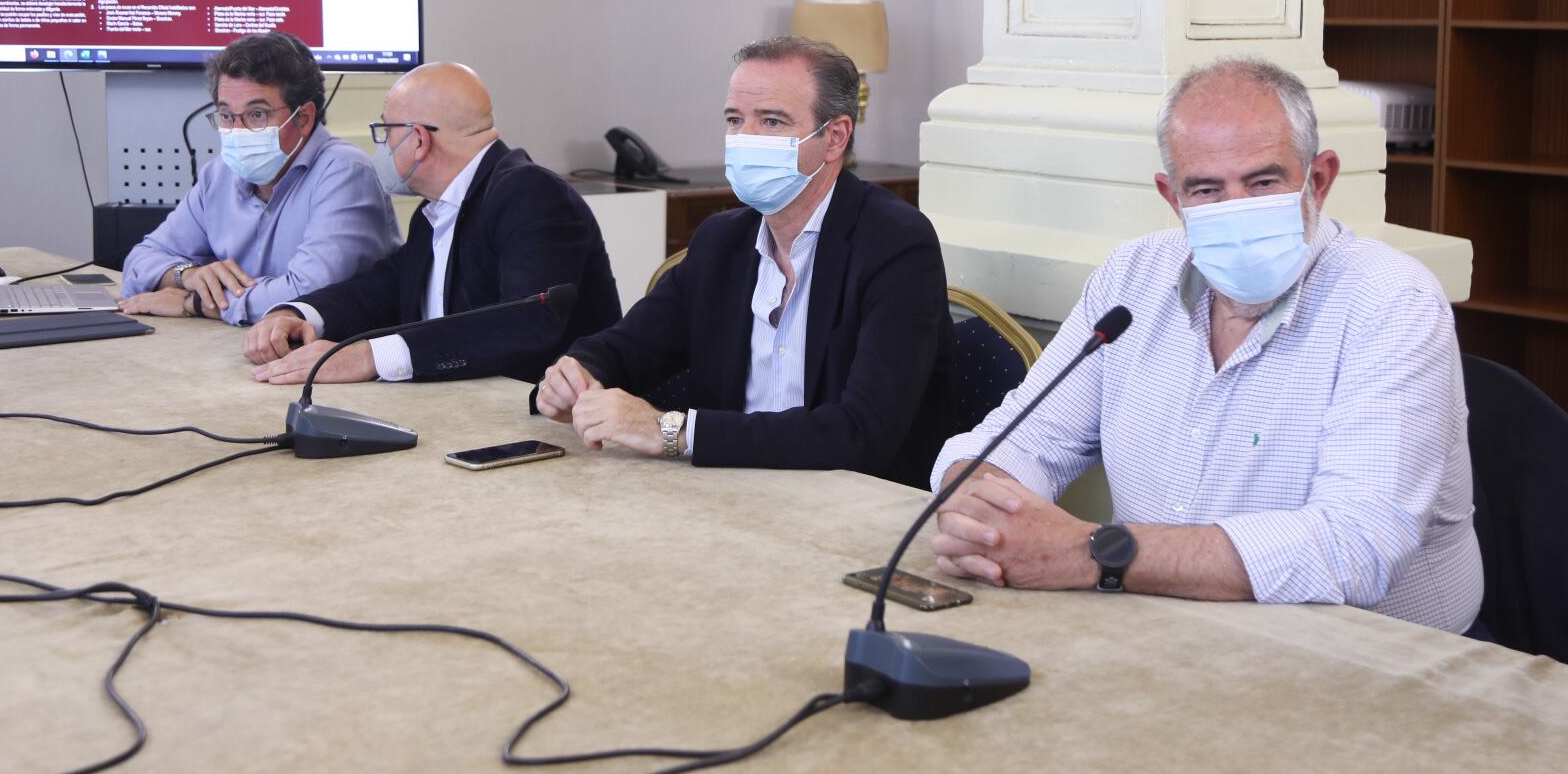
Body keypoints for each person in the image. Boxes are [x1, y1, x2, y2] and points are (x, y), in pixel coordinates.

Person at [929, 57, 1483, 634]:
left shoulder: (1390, 300)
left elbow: (1356, 545)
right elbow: (1028, 438)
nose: (1236, 208)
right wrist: (979, 511)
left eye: (1263, 182)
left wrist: (1087, 551)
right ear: (1173, 197)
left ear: (1318, 179)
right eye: (1207, 189)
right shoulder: (1131, 279)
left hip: (1376, 664)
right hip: (1160, 632)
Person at [535, 36, 954, 488]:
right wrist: (576, 373)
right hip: (730, 496)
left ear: (835, 137)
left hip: (852, 509)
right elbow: (627, 347)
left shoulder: (896, 244)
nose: (745, 139)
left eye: (772, 122)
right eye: (735, 120)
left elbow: (861, 434)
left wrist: (672, 432)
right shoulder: (723, 240)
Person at [242, 62, 621, 385]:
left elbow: (524, 323)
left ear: (419, 140)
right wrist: (298, 313)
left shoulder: (530, 193)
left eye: (385, 133)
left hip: (545, 431)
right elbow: (386, 286)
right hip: (461, 411)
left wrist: (369, 358)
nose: (383, 147)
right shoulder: (438, 208)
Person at [120, 32, 397, 325]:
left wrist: (197, 302)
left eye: (256, 114)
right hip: (237, 349)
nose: (237, 130)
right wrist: (187, 275)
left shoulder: (345, 172)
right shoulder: (219, 175)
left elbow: (308, 293)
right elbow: (141, 260)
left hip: (335, 356)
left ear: (303, 117)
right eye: (226, 115)